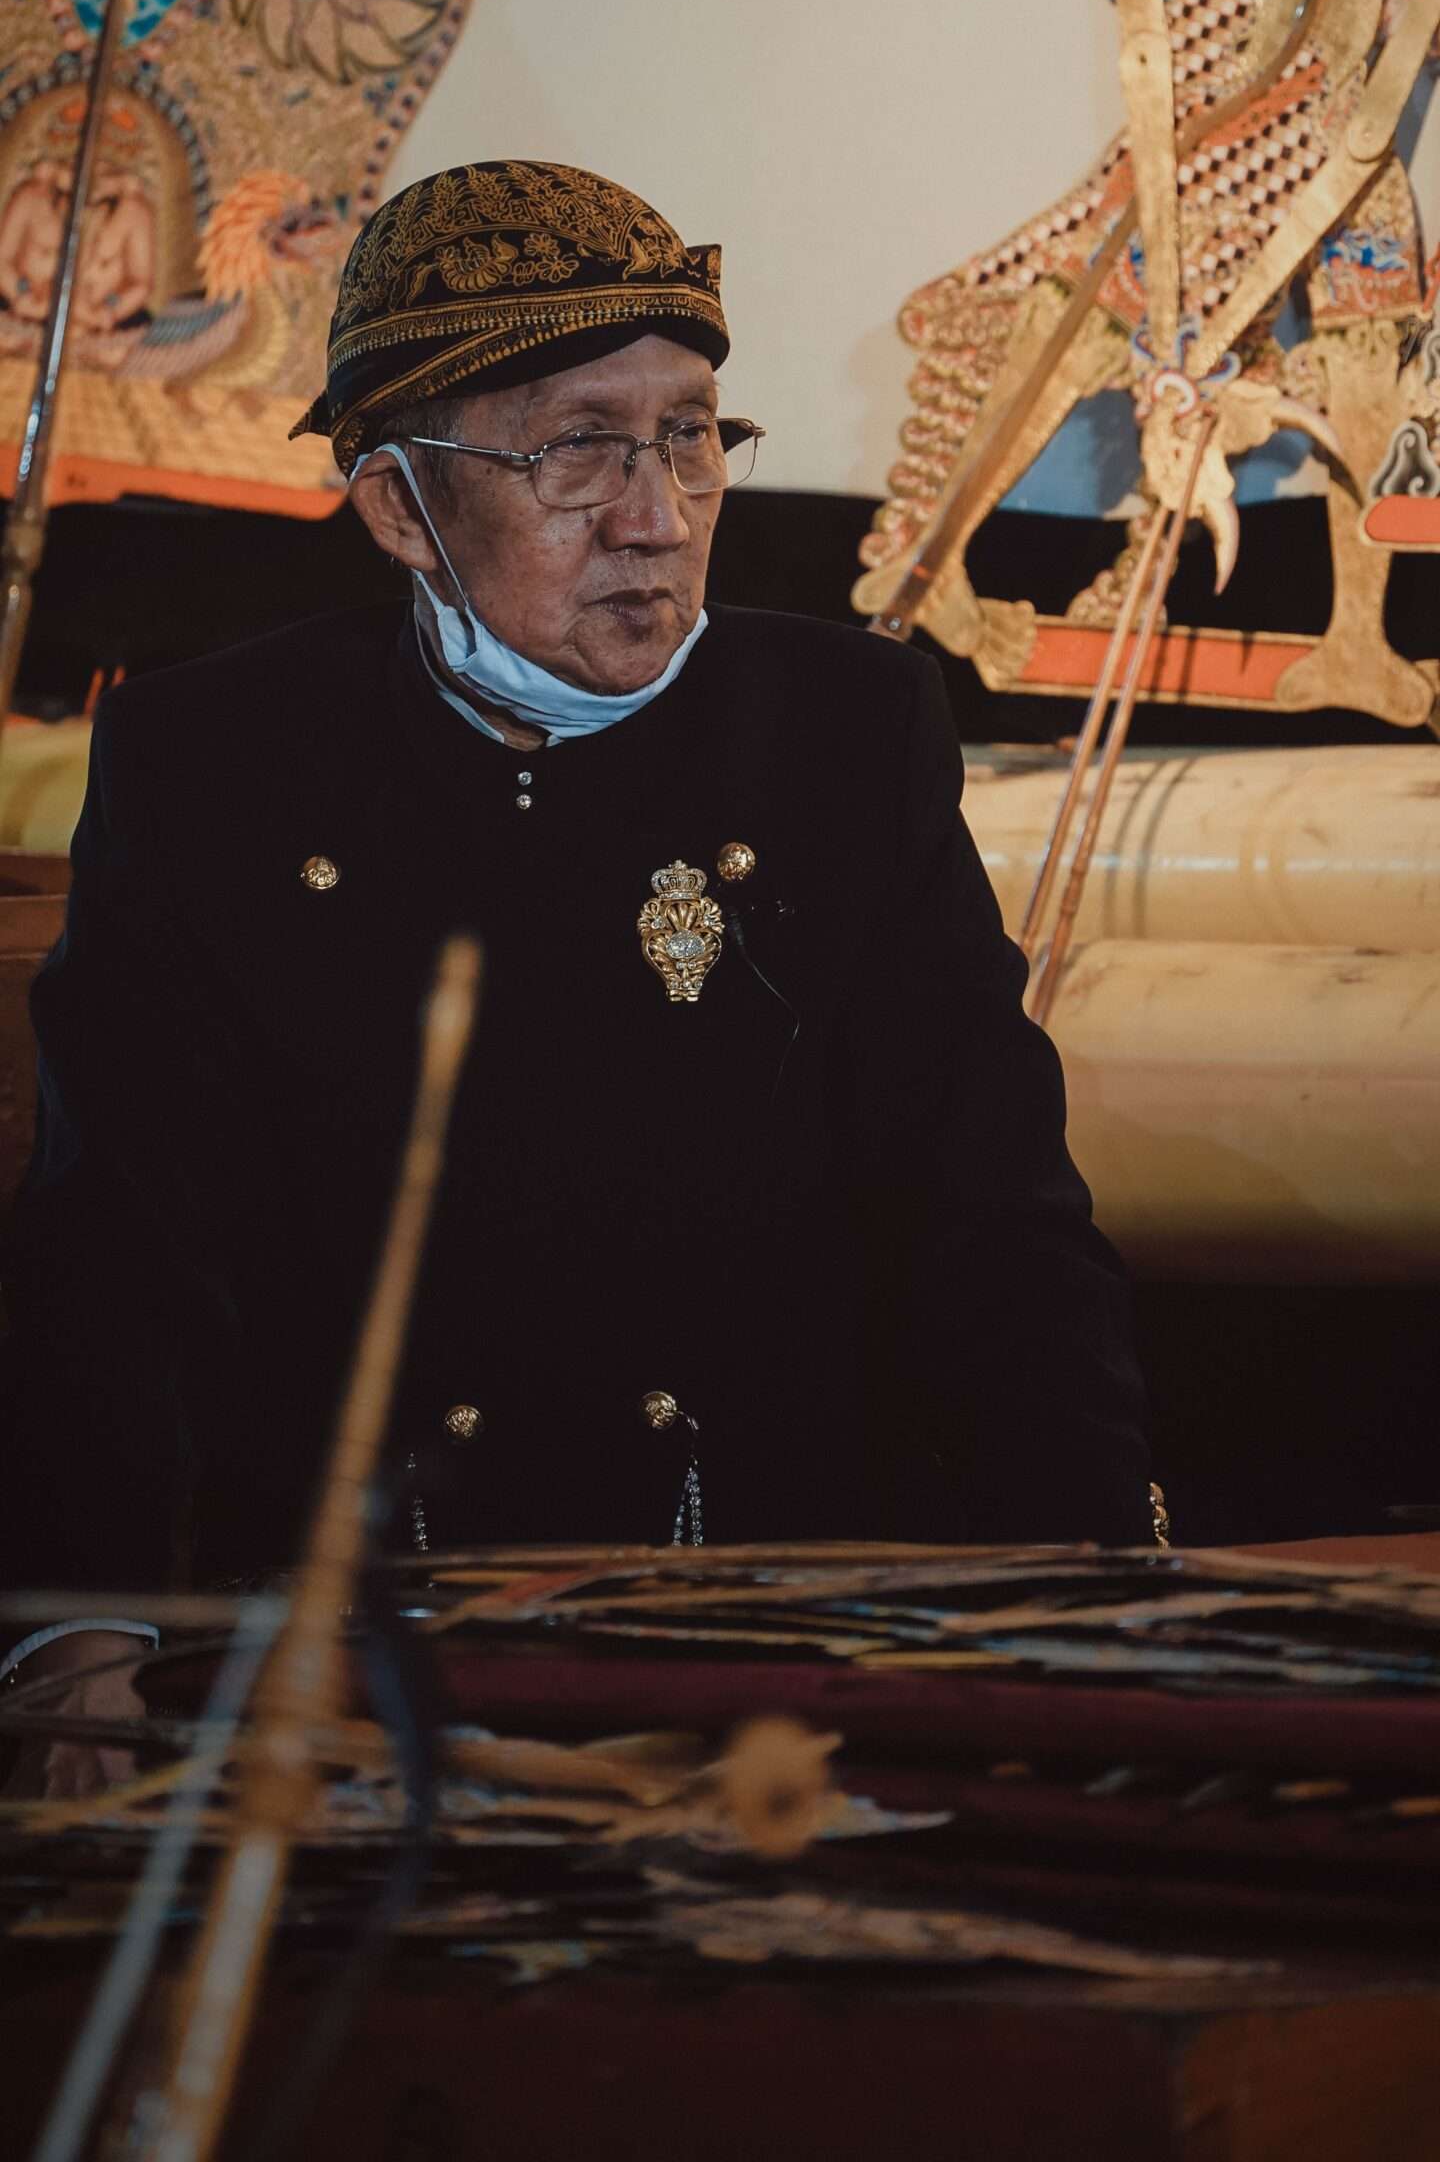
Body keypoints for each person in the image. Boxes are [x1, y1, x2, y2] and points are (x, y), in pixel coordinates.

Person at [0, 159, 1154, 1789]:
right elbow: (121, 1239)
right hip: (359, 1660)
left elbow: (995, 1220)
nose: (657, 516)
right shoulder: (215, 765)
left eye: (687, 434)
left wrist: (1099, 1603)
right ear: (401, 507)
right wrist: (84, 1638)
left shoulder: (839, 735)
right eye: (576, 449)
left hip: (773, 1637)